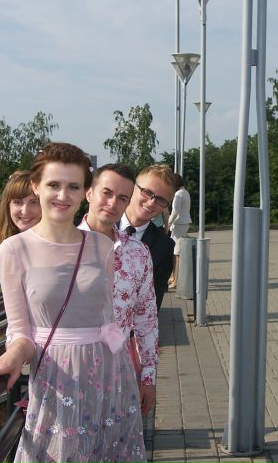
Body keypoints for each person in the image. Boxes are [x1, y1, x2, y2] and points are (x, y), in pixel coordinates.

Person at [0, 143, 145, 463]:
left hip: (110, 372)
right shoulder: (13, 250)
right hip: (57, 377)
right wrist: (13, 355)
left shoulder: (102, 246)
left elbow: (107, 317)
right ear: (36, 186)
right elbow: (20, 329)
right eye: (54, 184)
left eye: (73, 186)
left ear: (85, 192)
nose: (62, 195)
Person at [77, 163, 159, 415]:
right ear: (89, 193)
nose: (113, 203)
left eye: (122, 198)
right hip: (70, 373)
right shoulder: (62, 249)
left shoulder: (138, 253)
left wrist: (148, 376)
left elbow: (146, 318)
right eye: (107, 193)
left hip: (119, 374)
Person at [119, 164, 178, 311]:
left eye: (161, 199)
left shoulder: (164, 246)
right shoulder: (99, 226)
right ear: (133, 187)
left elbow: (152, 304)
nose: (151, 202)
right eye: (147, 192)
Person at [0, 170, 41, 252]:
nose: (25, 211)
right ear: (7, 206)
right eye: (18, 202)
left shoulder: (56, 246)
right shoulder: (7, 248)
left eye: (33, 202)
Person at [166, 174, 191, 290]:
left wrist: (168, 223)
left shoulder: (178, 194)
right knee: (177, 252)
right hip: (184, 223)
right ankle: (174, 277)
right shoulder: (185, 192)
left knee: (177, 253)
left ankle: (176, 280)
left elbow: (175, 211)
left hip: (179, 224)